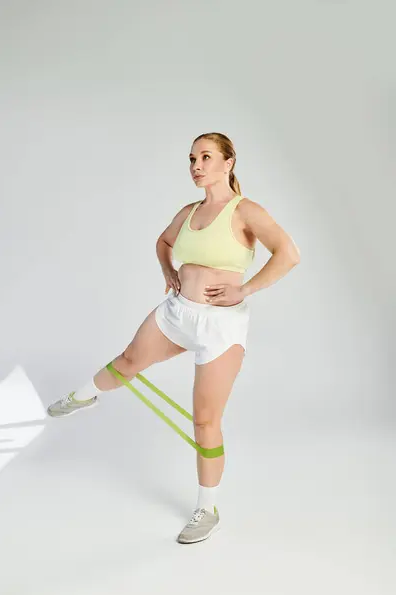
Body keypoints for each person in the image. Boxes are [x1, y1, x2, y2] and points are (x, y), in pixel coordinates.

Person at [47, 131, 300, 544]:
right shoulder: (188, 212)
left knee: (205, 421)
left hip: (221, 327)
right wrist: (168, 271)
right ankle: (82, 395)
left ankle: (208, 507)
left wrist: (245, 288)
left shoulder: (246, 211)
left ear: (227, 163)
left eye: (205, 157)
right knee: (129, 360)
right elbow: (164, 242)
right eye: (192, 159)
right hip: (178, 313)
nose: (196, 166)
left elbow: (289, 254)